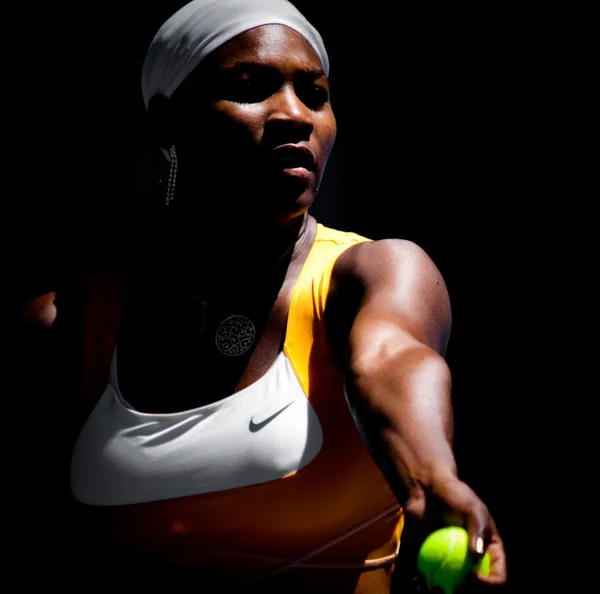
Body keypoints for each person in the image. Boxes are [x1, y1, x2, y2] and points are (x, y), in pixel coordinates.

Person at [17, 0, 507, 591]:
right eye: (251, 87)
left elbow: (390, 358)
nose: (294, 115)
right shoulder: (65, 324)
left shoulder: (375, 271)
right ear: (167, 122)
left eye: (316, 94)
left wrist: (432, 478)